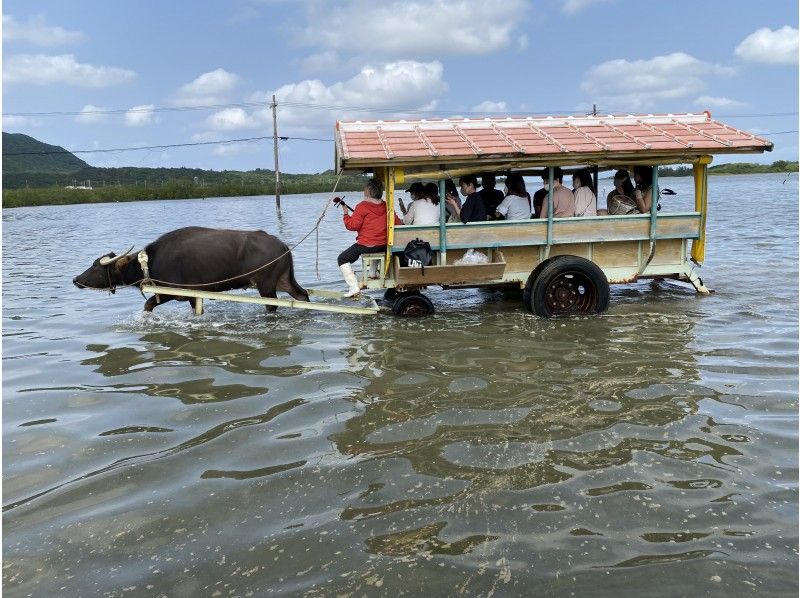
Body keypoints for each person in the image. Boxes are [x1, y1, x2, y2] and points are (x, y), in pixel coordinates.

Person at [337, 178, 401, 297]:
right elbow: (397, 223)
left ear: (368, 192)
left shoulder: (362, 206)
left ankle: (353, 287)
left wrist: (346, 214)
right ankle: (372, 273)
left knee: (342, 259)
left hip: (366, 246)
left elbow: (352, 226)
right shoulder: (386, 206)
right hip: (383, 245)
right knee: (376, 244)